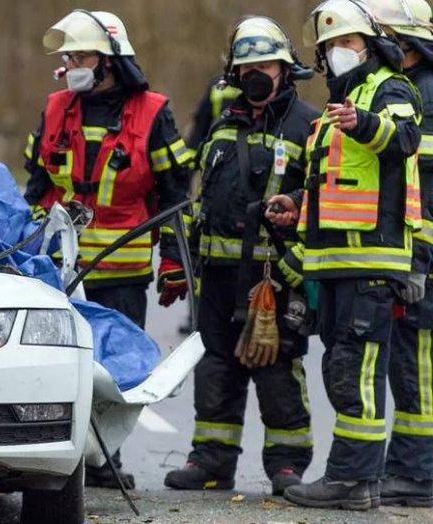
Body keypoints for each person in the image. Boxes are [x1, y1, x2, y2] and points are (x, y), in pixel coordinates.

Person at [25, 9, 193, 489]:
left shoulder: (152, 111)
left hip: (124, 265)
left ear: (110, 59)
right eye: (69, 56)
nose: (71, 63)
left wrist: (177, 262)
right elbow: (38, 186)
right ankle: (65, 454)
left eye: (80, 55)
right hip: (60, 269)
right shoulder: (57, 107)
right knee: (62, 365)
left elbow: (174, 191)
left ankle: (106, 459)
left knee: (116, 369)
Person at [266, 0, 422, 510]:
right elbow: (338, 188)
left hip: (370, 263)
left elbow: (403, 138)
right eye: (330, 46)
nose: (337, 53)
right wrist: (297, 206)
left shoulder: (390, 90)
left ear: (370, 45)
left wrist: (363, 123)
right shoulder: (340, 107)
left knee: (356, 370)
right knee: (342, 368)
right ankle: (356, 478)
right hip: (334, 264)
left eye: (346, 43)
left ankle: (353, 481)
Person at [162, 16, 318, 496]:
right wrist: (177, 258)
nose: (257, 74)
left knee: (277, 373)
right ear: (233, 73)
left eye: (267, 65)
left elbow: (323, 207)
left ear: (286, 69)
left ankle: (287, 467)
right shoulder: (222, 127)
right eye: (248, 65)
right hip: (219, 279)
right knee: (216, 369)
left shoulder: (309, 125)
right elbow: (198, 202)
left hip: (275, 278)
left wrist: (297, 266)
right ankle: (211, 460)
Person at [364, 0, 433, 507]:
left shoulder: (423, 98)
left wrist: (418, 262)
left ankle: (416, 471)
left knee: (415, 368)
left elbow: (424, 191)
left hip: (422, 258)